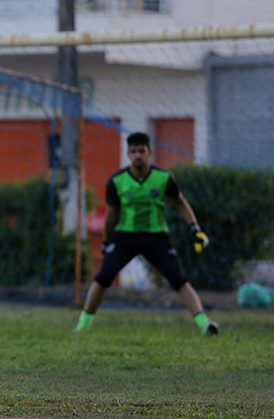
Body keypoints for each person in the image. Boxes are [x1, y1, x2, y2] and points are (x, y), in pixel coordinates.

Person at [74, 132, 218, 336]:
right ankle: (83, 325)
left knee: (179, 280)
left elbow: (179, 202)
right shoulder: (117, 181)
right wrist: (106, 242)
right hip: (125, 236)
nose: (137, 155)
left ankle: (204, 324)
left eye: (141, 151)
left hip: (156, 237)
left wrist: (194, 228)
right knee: (103, 278)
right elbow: (112, 215)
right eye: (133, 152)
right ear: (128, 154)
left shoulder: (164, 178)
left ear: (149, 152)